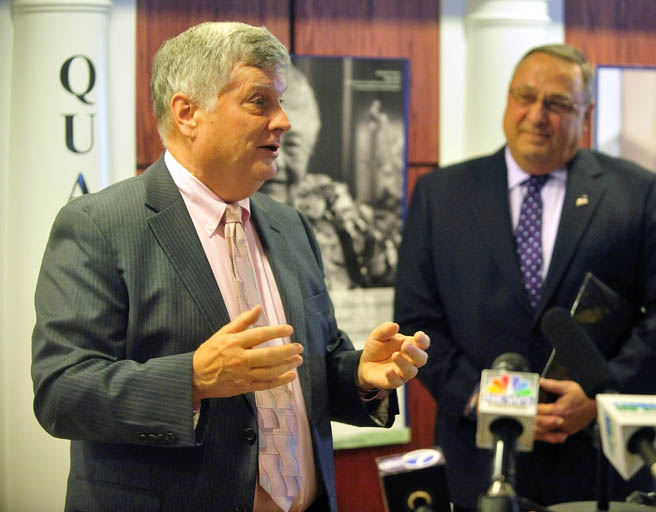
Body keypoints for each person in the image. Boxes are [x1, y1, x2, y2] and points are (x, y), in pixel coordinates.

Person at [31, 21, 429, 512]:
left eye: (280, 103)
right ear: (188, 113)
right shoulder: (98, 225)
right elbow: (62, 392)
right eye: (260, 102)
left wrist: (361, 377)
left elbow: (314, 362)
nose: (283, 121)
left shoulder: (290, 226)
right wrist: (194, 379)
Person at [394, 43, 656, 509]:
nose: (537, 115)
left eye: (557, 104)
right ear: (508, 101)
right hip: (479, 460)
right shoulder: (441, 194)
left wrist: (602, 393)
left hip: (596, 462)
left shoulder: (634, 194)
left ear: (586, 114)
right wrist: (491, 400)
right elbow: (417, 319)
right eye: (525, 97)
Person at [260, 65, 401, 290]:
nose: (279, 159)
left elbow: (389, 270)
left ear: (311, 146)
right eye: (267, 143)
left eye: (294, 145)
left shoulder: (330, 199)